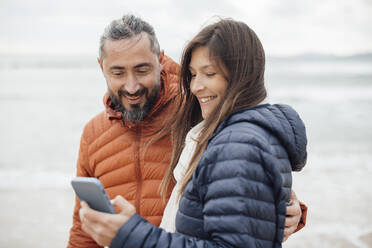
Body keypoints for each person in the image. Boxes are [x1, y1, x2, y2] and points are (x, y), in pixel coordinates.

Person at [69, 15, 307, 247]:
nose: (132, 86)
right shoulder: (93, 133)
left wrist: (291, 210)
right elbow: (84, 228)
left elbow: (245, 178)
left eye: (142, 70)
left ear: (160, 59)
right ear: (102, 67)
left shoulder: (196, 110)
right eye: (118, 73)